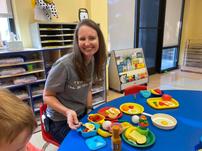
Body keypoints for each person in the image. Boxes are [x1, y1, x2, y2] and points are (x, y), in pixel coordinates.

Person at [43, 19, 107, 144]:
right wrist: (67, 112)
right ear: (77, 42)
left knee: (103, 135)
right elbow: (47, 96)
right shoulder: (64, 65)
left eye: (92, 38)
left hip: (81, 114)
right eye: (82, 39)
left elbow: (87, 88)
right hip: (59, 121)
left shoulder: (92, 60)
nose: (87, 43)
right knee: (85, 145)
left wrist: (89, 110)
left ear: (99, 39)